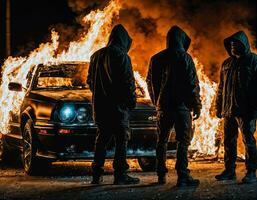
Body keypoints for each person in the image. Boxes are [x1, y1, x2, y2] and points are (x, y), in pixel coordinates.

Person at [146, 25, 202, 187]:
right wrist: (196, 105)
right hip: (181, 108)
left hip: (163, 108)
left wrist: (157, 101)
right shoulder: (185, 58)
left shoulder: (156, 58)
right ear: (181, 40)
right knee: (183, 142)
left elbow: (150, 82)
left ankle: (160, 175)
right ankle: (182, 176)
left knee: (161, 141)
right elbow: (192, 84)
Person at [87, 24, 140, 185]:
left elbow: (90, 81)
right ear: (123, 40)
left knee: (101, 140)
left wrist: (100, 95)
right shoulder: (122, 56)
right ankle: (120, 175)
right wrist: (131, 102)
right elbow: (128, 82)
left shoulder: (96, 56)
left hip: (100, 108)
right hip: (117, 108)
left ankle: (96, 175)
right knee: (121, 140)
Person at [215, 31, 257, 184]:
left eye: (236, 44)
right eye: (231, 45)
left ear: (243, 44)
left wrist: (254, 108)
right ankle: (229, 170)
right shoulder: (226, 64)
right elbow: (221, 88)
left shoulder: (253, 61)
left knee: (248, 140)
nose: (233, 47)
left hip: (246, 110)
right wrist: (218, 107)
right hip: (228, 110)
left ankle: (251, 172)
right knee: (229, 141)